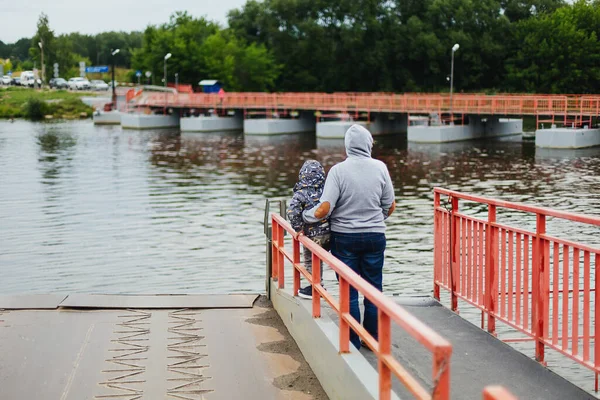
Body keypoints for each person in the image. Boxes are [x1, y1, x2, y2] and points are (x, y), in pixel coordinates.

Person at [303, 124, 395, 350]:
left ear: (347, 146)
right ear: (368, 144)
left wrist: (305, 216)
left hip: (345, 239)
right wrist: (376, 218)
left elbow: (324, 209)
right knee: (373, 289)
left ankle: (352, 341)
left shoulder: (338, 171)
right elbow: (390, 205)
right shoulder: (380, 168)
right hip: (375, 236)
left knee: (349, 290)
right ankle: (372, 338)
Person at [286, 160, 330, 299]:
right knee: (326, 258)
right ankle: (322, 285)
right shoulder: (327, 191)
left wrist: (298, 228)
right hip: (329, 234)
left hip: (311, 236)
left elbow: (292, 211)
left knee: (311, 261)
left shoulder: (301, 194)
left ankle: (316, 286)